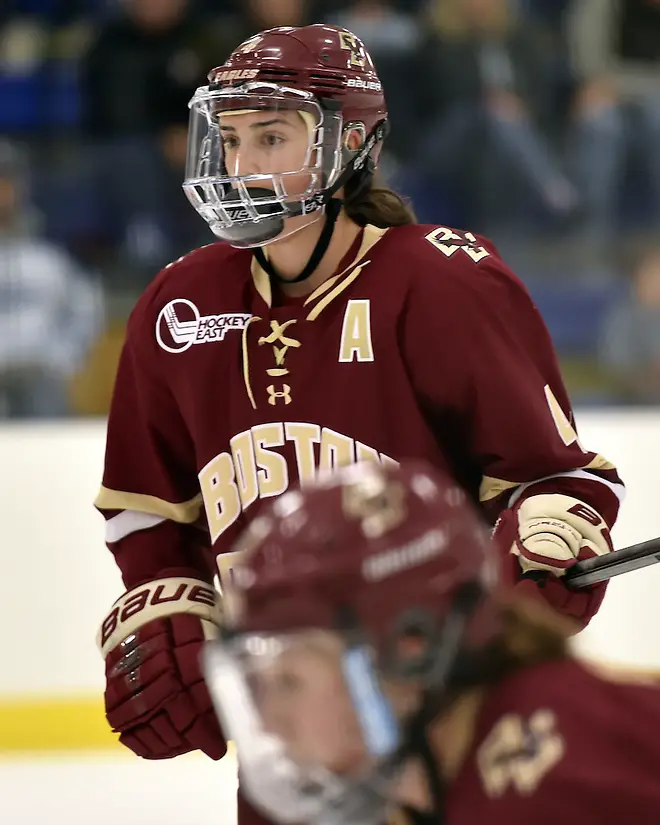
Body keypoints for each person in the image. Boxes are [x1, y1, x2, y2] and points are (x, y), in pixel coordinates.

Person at [94, 24, 623, 825]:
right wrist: (169, 603)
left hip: (443, 713)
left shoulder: (441, 283)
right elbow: (146, 506)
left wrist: (541, 548)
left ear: (352, 142)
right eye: (230, 139)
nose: (242, 166)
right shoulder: (178, 306)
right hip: (295, 723)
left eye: (272, 136)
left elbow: (556, 479)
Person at [203, 459, 660, 825]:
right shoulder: (436, 777)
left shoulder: (564, 789)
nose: (271, 721)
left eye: (290, 681)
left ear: (410, 649)